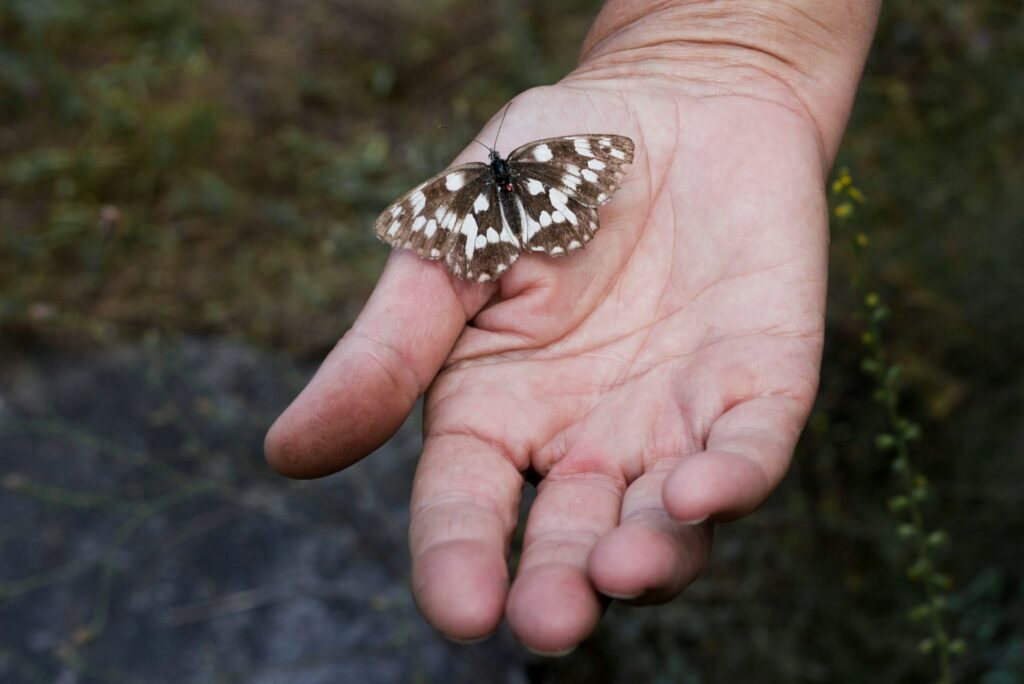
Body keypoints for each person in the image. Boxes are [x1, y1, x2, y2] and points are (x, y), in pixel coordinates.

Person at [265, 0, 882, 656]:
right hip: (530, 200)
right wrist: (692, 44)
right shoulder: (518, 171)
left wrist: (705, 53)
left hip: (519, 203)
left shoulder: (521, 171)